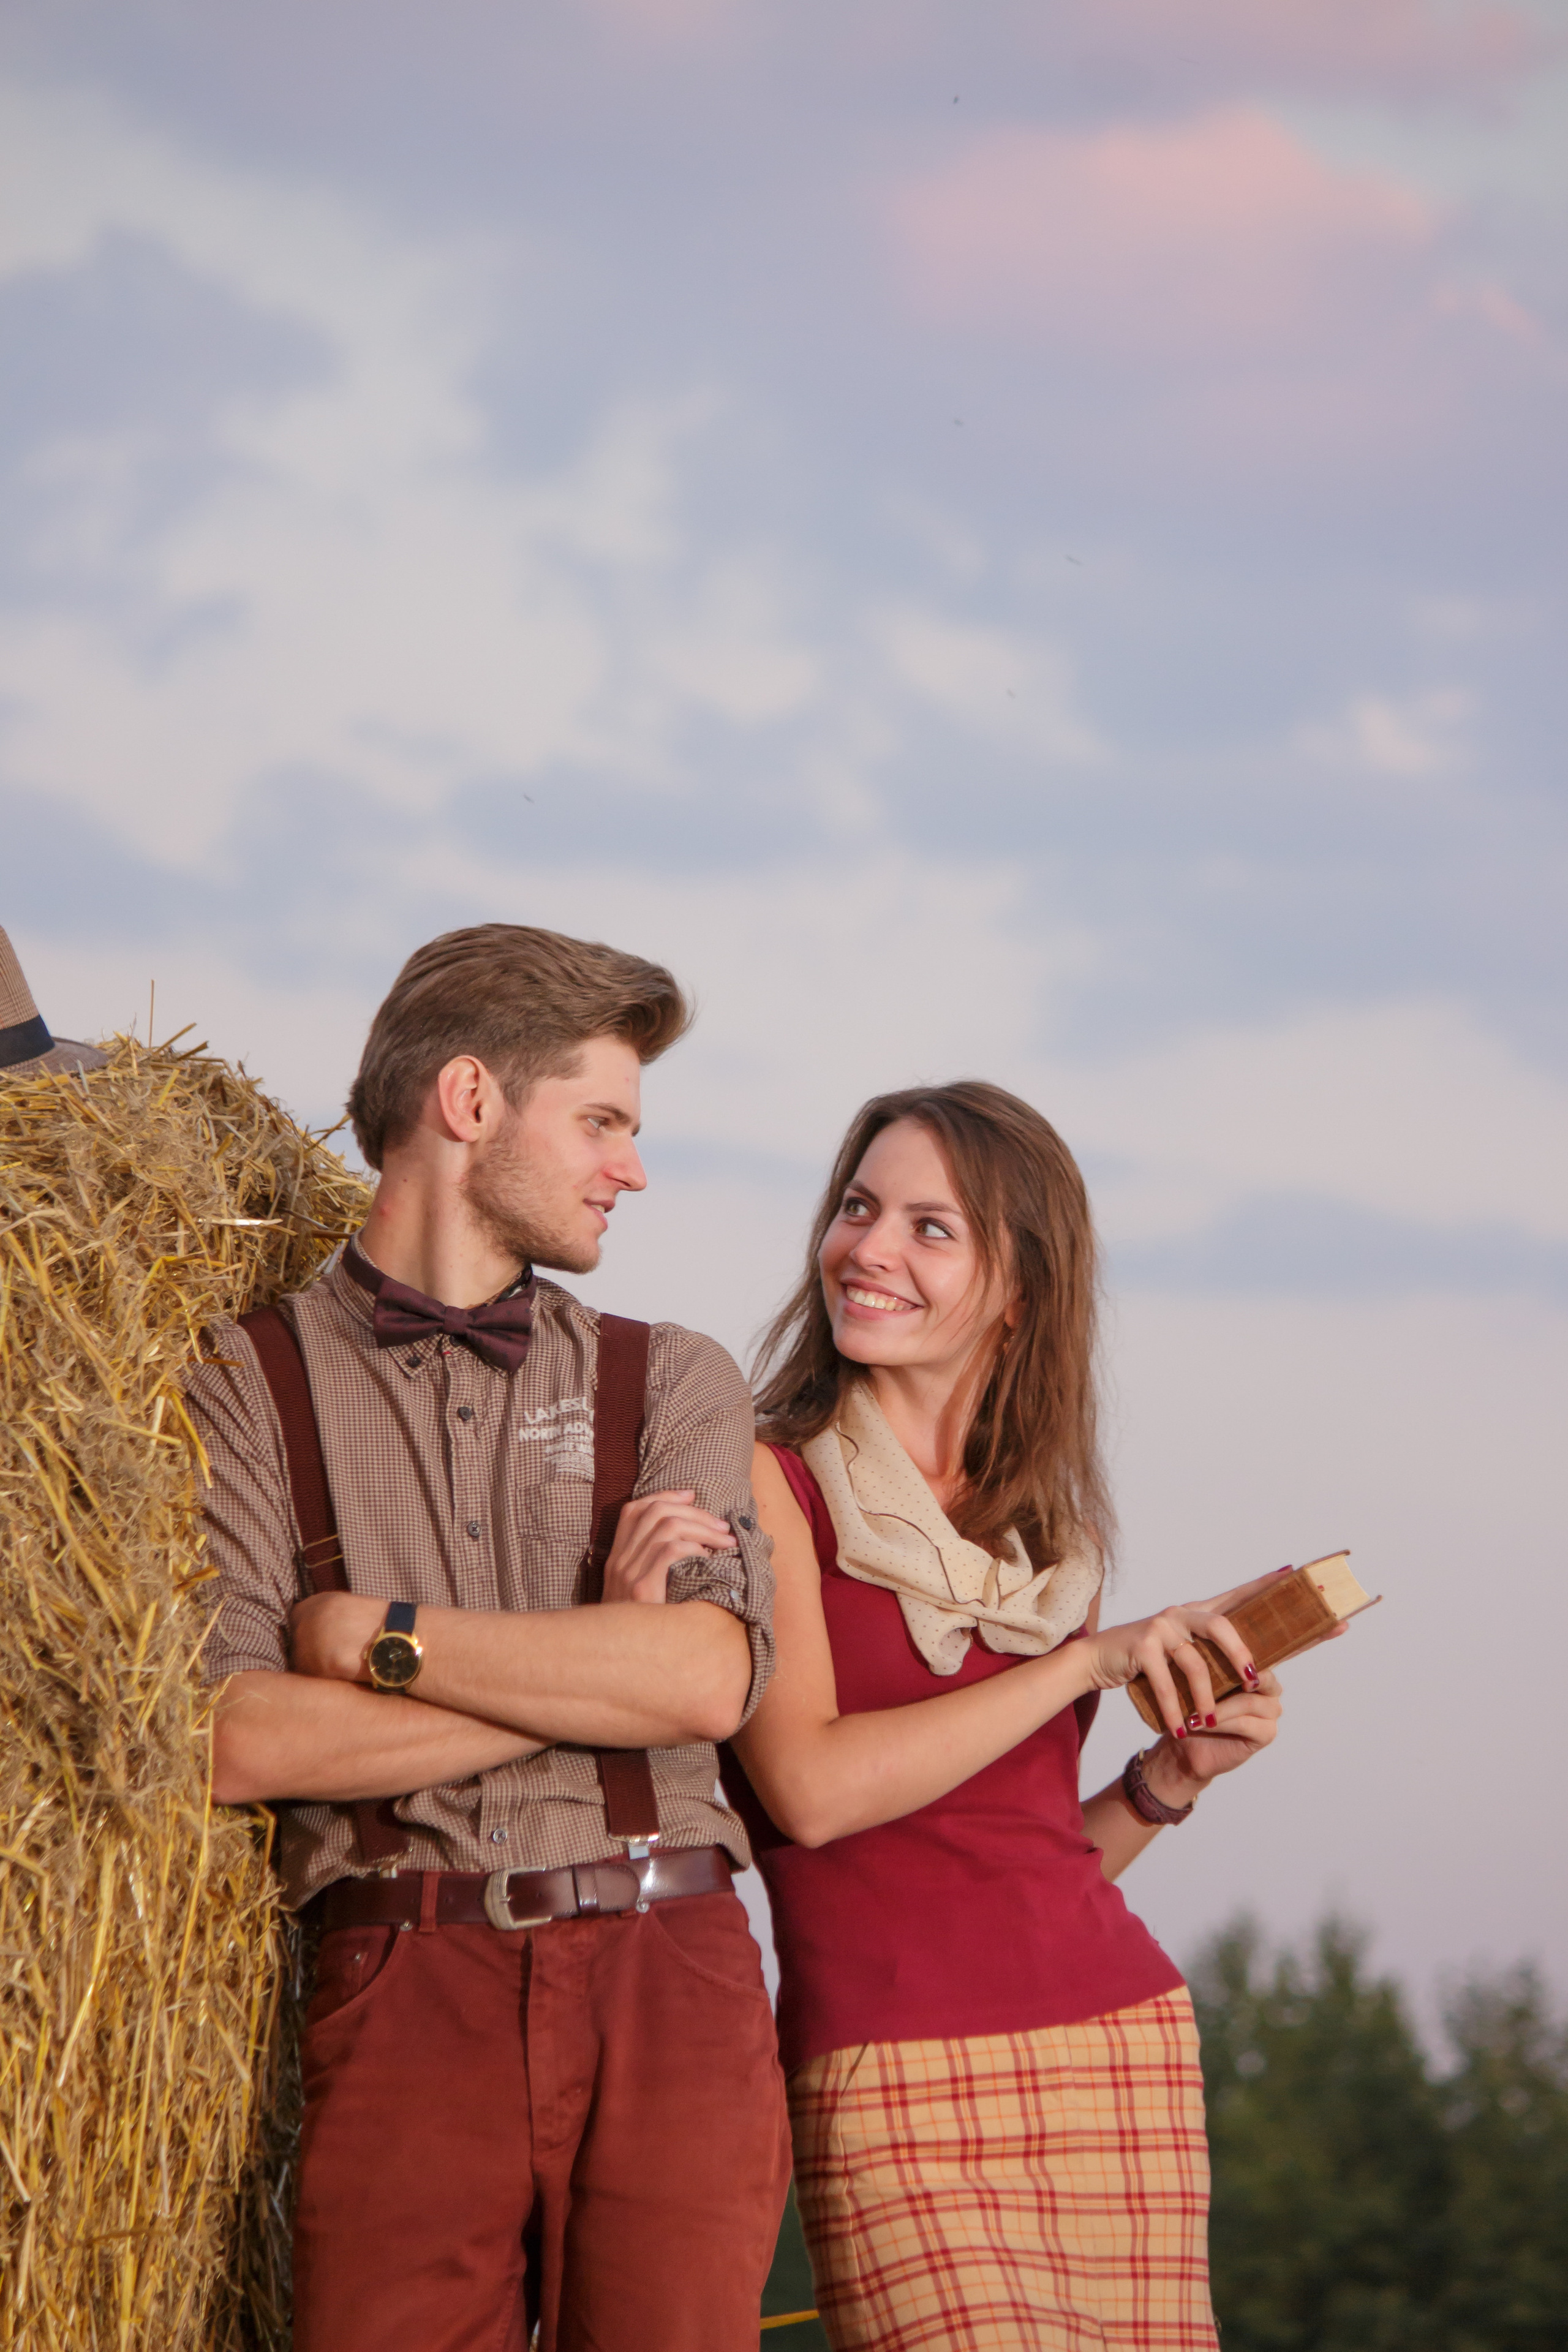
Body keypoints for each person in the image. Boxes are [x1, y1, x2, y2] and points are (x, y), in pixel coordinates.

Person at [609, 1080, 1294, 2352]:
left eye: (931, 1227)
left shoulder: (1049, 1537)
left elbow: (1013, 1862)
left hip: (1117, 2050)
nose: (868, 1248)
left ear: (1020, 1289)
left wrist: (1167, 1781)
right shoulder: (766, 1478)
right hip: (887, 2074)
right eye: (859, 1208)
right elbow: (812, 1791)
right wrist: (1084, 1670)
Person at [192, 923, 790, 2352]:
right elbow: (240, 1740)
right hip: (400, 1984)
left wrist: (372, 1639)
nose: (629, 1169)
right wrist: (593, 1661)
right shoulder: (245, 1382)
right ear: (468, 1101)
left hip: (667, 1969)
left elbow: (702, 1679)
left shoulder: (676, 1380)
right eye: (600, 1121)